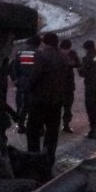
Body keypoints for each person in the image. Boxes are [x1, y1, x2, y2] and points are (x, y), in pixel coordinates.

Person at [25, 32, 72, 166]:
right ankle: (48, 159)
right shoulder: (63, 57)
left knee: (33, 131)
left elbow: (35, 76)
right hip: (56, 101)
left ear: (44, 42)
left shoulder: (41, 55)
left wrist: (27, 87)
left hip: (39, 100)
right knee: (52, 133)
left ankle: (34, 160)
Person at [9, 35, 39, 133]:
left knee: (22, 106)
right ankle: (36, 128)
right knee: (35, 106)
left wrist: (17, 80)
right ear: (38, 44)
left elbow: (13, 68)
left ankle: (21, 125)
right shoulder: (39, 54)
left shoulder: (20, 54)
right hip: (35, 84)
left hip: (22, 83)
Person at [78, 40, 96, 137]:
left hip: (91, 86)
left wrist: (79, 69)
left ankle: (93, 130)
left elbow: (82, 72)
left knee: (91, 108)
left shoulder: (87, 58)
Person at [58, 38, 79, 133]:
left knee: (67, 107)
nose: (66, 51)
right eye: (64, 49)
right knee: (55, 106)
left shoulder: (72, 54)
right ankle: (54, 124)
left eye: (67, 49)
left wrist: (72, 63)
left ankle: (66, 124)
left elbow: (78, 64)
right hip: (57, 84)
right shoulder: (56, 54)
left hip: (68, 85)